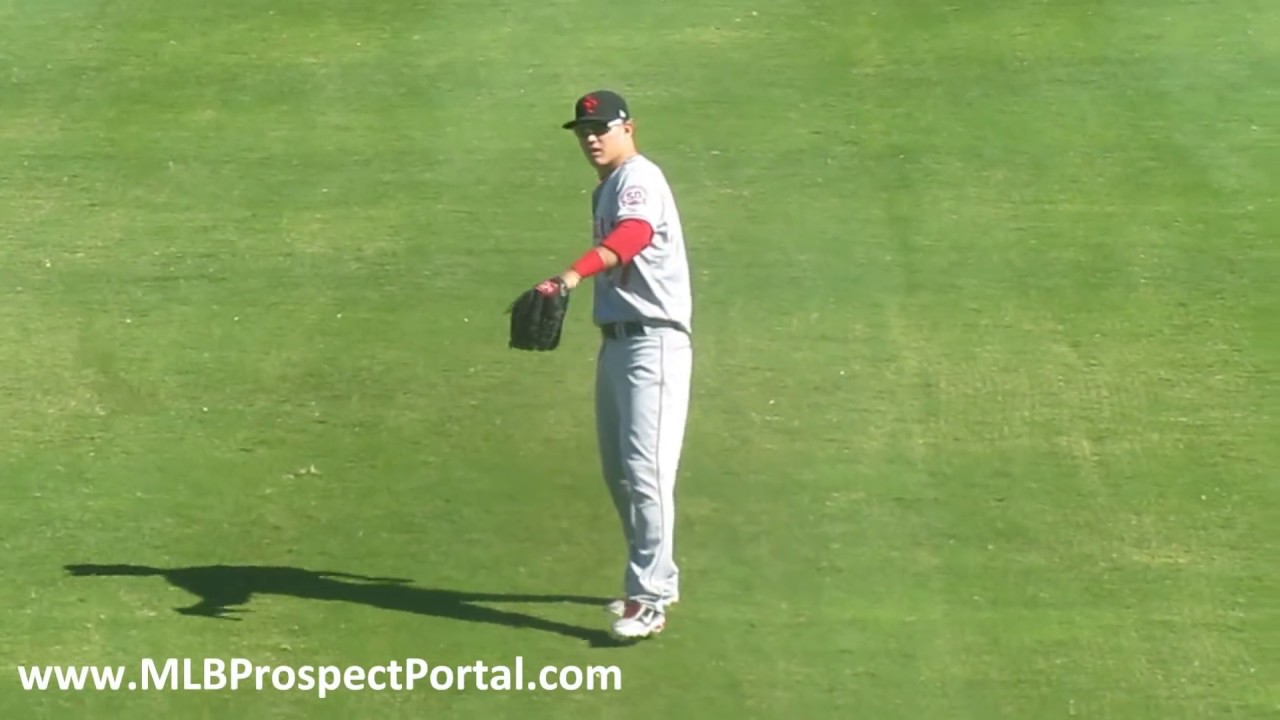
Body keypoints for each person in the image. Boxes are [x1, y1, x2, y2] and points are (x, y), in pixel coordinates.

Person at [541, 90, 694, 640]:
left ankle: (648, 598)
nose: (590, 137)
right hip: (619, 344)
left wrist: (573, 275)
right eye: (583, 129)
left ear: (628, 127)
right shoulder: (607, 187)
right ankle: (659, 579)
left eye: (600, 127)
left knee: (645, 472)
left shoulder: (638, 178)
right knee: (621, 474)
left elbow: (634, 235)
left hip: (653, 344)